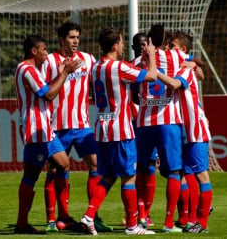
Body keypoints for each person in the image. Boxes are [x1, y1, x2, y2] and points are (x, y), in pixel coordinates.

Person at [79, 27, 157, 236]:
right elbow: (151, 76)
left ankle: (88, 216)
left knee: (109, 176)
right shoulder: (119, 67)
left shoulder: (94, 67)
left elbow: (93, 96)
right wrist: (151, 56)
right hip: (121, 131)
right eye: (122, 43)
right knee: (129, 178)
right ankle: (132, 225)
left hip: (102, 129)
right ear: (114, 46)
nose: (123, 46)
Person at [41, 21, 112, 232]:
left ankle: (93, 215)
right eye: (72, 37)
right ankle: (54, 218)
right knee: (54, 170)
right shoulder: (51, 61)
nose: (76, 41)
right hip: (57, 126)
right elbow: (44, 89)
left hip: (82, 125)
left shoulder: (88, 59)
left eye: (78, 37)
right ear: (62, 39)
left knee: (96, 166)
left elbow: (100, 79)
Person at [14, 34, 82, 234]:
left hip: (46, 130)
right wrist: (65, 73)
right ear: (34, 51)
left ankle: (63, 217)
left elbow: (47, 89)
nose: (46, 53)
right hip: (36, 130)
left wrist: (60, 73)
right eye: (43, 49)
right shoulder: (27, 70)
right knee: (31, 175)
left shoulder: (31, 70)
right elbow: (49, 94)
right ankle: (21, 224)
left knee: (64, 163)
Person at [133, 24, 198, 233]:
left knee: (143, 169)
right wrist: (195, 66)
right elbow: (194, 64)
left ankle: (142, 216)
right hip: (168, 121)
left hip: (144, 122)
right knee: (173, 172)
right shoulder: (176, 57)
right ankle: (170, 223)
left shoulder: (138, 60)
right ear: (164, 41)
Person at [170, 30, 213, 233]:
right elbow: (201, 71)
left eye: (173, 46)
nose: (169, 50)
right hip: (184, 129)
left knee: (201, 174)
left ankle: (202, 222)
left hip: (195, 128)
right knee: (187, 173)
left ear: (182, 50)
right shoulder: (184, 65)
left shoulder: (186, 69)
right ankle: (194, 217)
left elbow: (178, 82)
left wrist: (154, 74)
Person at [130, 32, 157, 228]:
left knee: (150, 167)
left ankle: (146, 212)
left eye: (144, 44)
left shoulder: (158, 62)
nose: (141, 47)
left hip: (153, 121)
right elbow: (132, 96)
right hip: (135, 121)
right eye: (138, 45)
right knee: (138, 167)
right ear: (133, 47)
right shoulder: (130, 66)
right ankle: (137, 212)